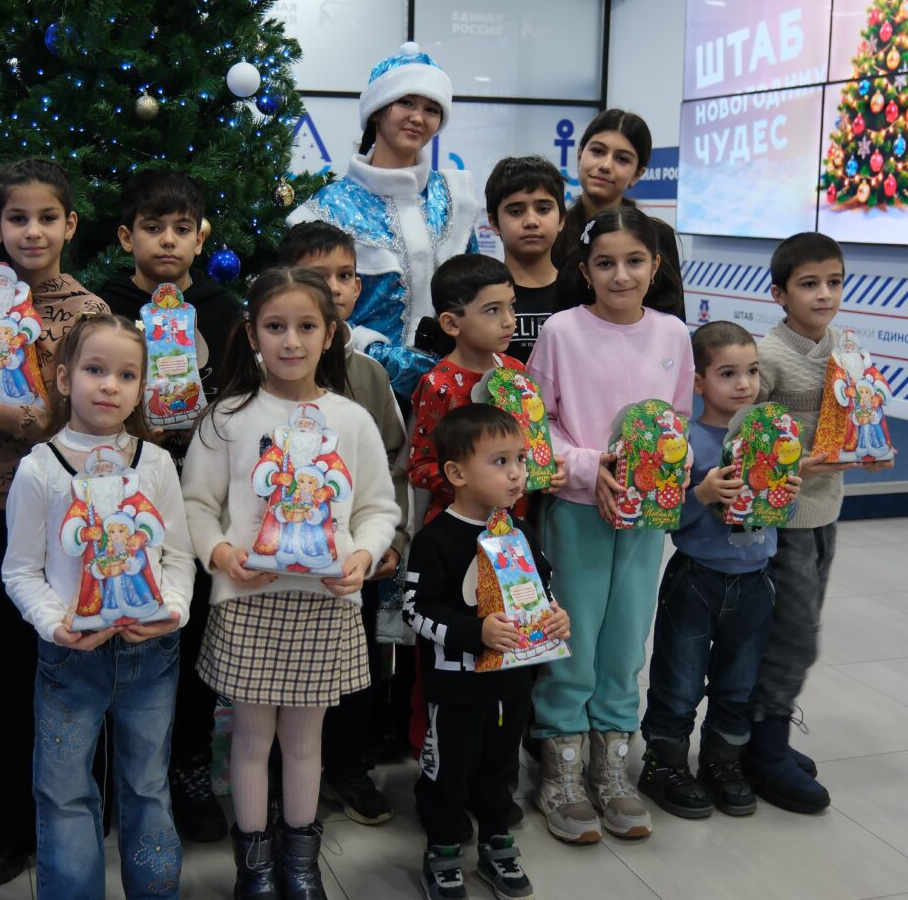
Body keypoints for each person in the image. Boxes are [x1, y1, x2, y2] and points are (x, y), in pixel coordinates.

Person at [182, 268, 400, 898]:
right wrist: (222, 553)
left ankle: (301, 862)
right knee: (251, 740)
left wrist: (363, 555)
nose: (291, 341)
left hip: (326, 605)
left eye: (306, 326)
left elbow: (378, 507)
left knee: (306, 742)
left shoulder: (351, 420)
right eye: (275, 326)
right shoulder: (227, 418)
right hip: (249, 602)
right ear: (252, 333)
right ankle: (254, 865)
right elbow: (196, 505)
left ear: (330, 334)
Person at [0, 159, 108, 886]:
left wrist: (0, 414)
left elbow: (91, 413)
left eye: (46, 218)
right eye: (17, 218)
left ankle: (71, 815)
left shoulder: (91, 312)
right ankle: (2, 827)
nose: (32, 231)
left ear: (70, 225)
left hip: (74, 515)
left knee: (72, 661)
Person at [3, 313, 195, 899]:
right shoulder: (40, 469)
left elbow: (178, 556)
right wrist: (53, 623)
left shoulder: (154, 464)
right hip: (71, 660)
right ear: (64, 379)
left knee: (147, 785)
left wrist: (173, 609)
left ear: (142, 388)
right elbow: (20, 569)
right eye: (95, 369)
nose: (110, 385)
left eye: (127, 375)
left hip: (151, 656)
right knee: (64, 794)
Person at [526, 206, 694, 844]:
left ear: (656, 266)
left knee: (626, 638)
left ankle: (611, 765)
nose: (620, 275)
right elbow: (536, 423)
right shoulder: (562, 332)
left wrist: (671, 468)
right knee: (572, 636)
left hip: (647, 516)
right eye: (605, 263)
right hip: (577, 509)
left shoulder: (673, 334)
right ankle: (561, 769)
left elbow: (677, 420)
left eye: (634, 262)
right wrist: (587, 466)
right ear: (585, 269)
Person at [98, 170, 242, 842]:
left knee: (193, 633)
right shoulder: (107, 306)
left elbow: (242, 398)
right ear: (126, 236)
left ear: (200, 237)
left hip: (203, 498)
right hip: (125, 498)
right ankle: (119, 769)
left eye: (182, 229)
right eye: (152, 228)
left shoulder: (223, 308)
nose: (167, 241)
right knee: (121, 621)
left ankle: (188, 765)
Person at [742, 232, 894, 813]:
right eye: (809, 284)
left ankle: (764, 734)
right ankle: (764, 748)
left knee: (802, 627)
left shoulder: (844, 349)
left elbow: (854, 422)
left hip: (827, 511)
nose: (825, 294)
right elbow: (746, 441)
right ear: (779, 294)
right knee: (795, 633)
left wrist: (868, 446)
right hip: (783, 520)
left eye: (834, 282)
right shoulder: (769, 358)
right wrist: (792, 464)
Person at [404, 404, 570, 900]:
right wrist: (474, 632)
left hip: (512, 684)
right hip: (455, 687)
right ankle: (443, 850)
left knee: (501, 768)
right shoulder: (435, 539)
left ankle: (497, 842)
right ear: (457, 474)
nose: (517, 472)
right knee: (448, 771)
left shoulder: (519, 532)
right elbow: (415, 609)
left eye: (520, 458)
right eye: (500, 461)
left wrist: (554, 615)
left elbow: (540, 588)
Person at [638, 322, 802, 820]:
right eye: (727, 373)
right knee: (679, 677)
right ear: (698, 381)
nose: (744, 384)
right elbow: (667, 518)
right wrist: (701, 494)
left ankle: (722, 761)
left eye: (751, 371)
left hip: (755, 580)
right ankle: (665, 762)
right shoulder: (685, 441)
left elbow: (779, 515)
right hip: (696, 578)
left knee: (739, 680)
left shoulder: (770, 438)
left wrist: (786, 494)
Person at [281, 220, 412, 826]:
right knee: (287, 673)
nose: (333, 287)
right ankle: (283, 776)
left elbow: (395, 464)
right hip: (280, 567)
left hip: (352, 561)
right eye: (317, 275)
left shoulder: (370, 375)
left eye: (345, 275)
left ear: (358, 287)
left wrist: (392, 539)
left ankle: (348, 767)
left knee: (357, 670)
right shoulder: (261, 370)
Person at [288, 42, 481, 398]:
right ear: (377, 109)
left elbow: (475, 290)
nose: (418, 118)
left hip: (450, 390)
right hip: (353, 385)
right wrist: (376, 355)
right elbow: (305, 306)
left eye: (431, 109)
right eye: (405, 102)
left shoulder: (456, 199)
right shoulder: (327, 209)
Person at [408, 255, 524, 526]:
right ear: (451, 324)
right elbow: (420, 467)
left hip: (514, 524)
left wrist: (544, 467)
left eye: (511, 307)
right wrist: (471, 482)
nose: (509, 321)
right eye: (492, 310)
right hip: (459, 526)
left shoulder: (516, 370)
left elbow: (530, 439)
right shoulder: (439, 385)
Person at [550, 109, 685, 320]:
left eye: (622, 159)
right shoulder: (554, 231)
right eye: (597, 151)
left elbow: (674, 322)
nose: (605, 165)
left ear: (637, 174)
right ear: (579, 155)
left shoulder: (658, 235)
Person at [483, 156, 566, 365]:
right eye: (516, 212)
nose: (531, 221)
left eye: (543, 209)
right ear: (494, 223)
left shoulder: (582, 292)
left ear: (562, 219)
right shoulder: (478, 296)